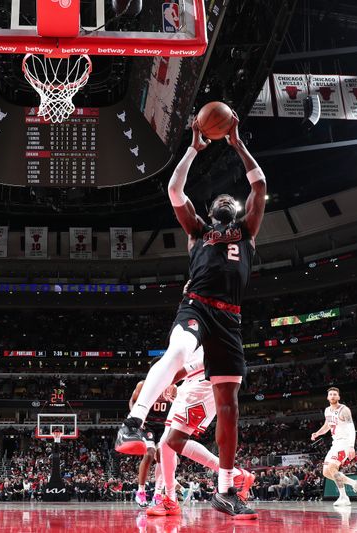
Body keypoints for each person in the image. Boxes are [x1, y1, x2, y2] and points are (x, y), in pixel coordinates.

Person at [116, 112, 265, 519]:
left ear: (232, 211)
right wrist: (194, 149)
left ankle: (225, 490)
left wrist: (237, 145)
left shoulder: (247, 231)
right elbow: (173, 188)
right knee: (180, 350)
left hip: (229, 319)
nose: (220, 201)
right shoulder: (198, 231)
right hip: (196, 304)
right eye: (214, 200)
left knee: (229, 403)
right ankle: (132, 423)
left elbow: (260, 185)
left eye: (225, 201)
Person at [148, 347, 254, 517]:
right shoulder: (188, 331)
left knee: (173, 440)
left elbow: (212, 353)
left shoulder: (208, 326)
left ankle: (237, 474)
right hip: (190, 379)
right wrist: (175, 380)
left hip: (205, 379)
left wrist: (171, 379)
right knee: (164, 445)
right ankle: (170, 499)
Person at [129, 363, 177, 508]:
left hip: (164, 425)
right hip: (148, 424)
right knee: (149, 454)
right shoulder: (143, 385)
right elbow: (132, 401)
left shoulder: (172, 387)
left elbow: (177, 406)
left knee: (163, 457)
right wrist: (136, 416)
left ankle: (157, 494)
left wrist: (174, 402)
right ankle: (141, 491)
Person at [310, 387, 357, 506]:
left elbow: (351, 428)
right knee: (326, 472)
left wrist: (351, 446)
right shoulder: (327, 410)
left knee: (332, 467)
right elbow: (327, 425)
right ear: (328, 397)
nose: (333, 396)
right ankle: (355, 484)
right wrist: (318, 433)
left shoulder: (344, 410)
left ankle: (344, 497)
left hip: (344, 443)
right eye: (331, 394)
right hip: (335, 444)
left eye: (335, 394)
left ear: (339, 397)